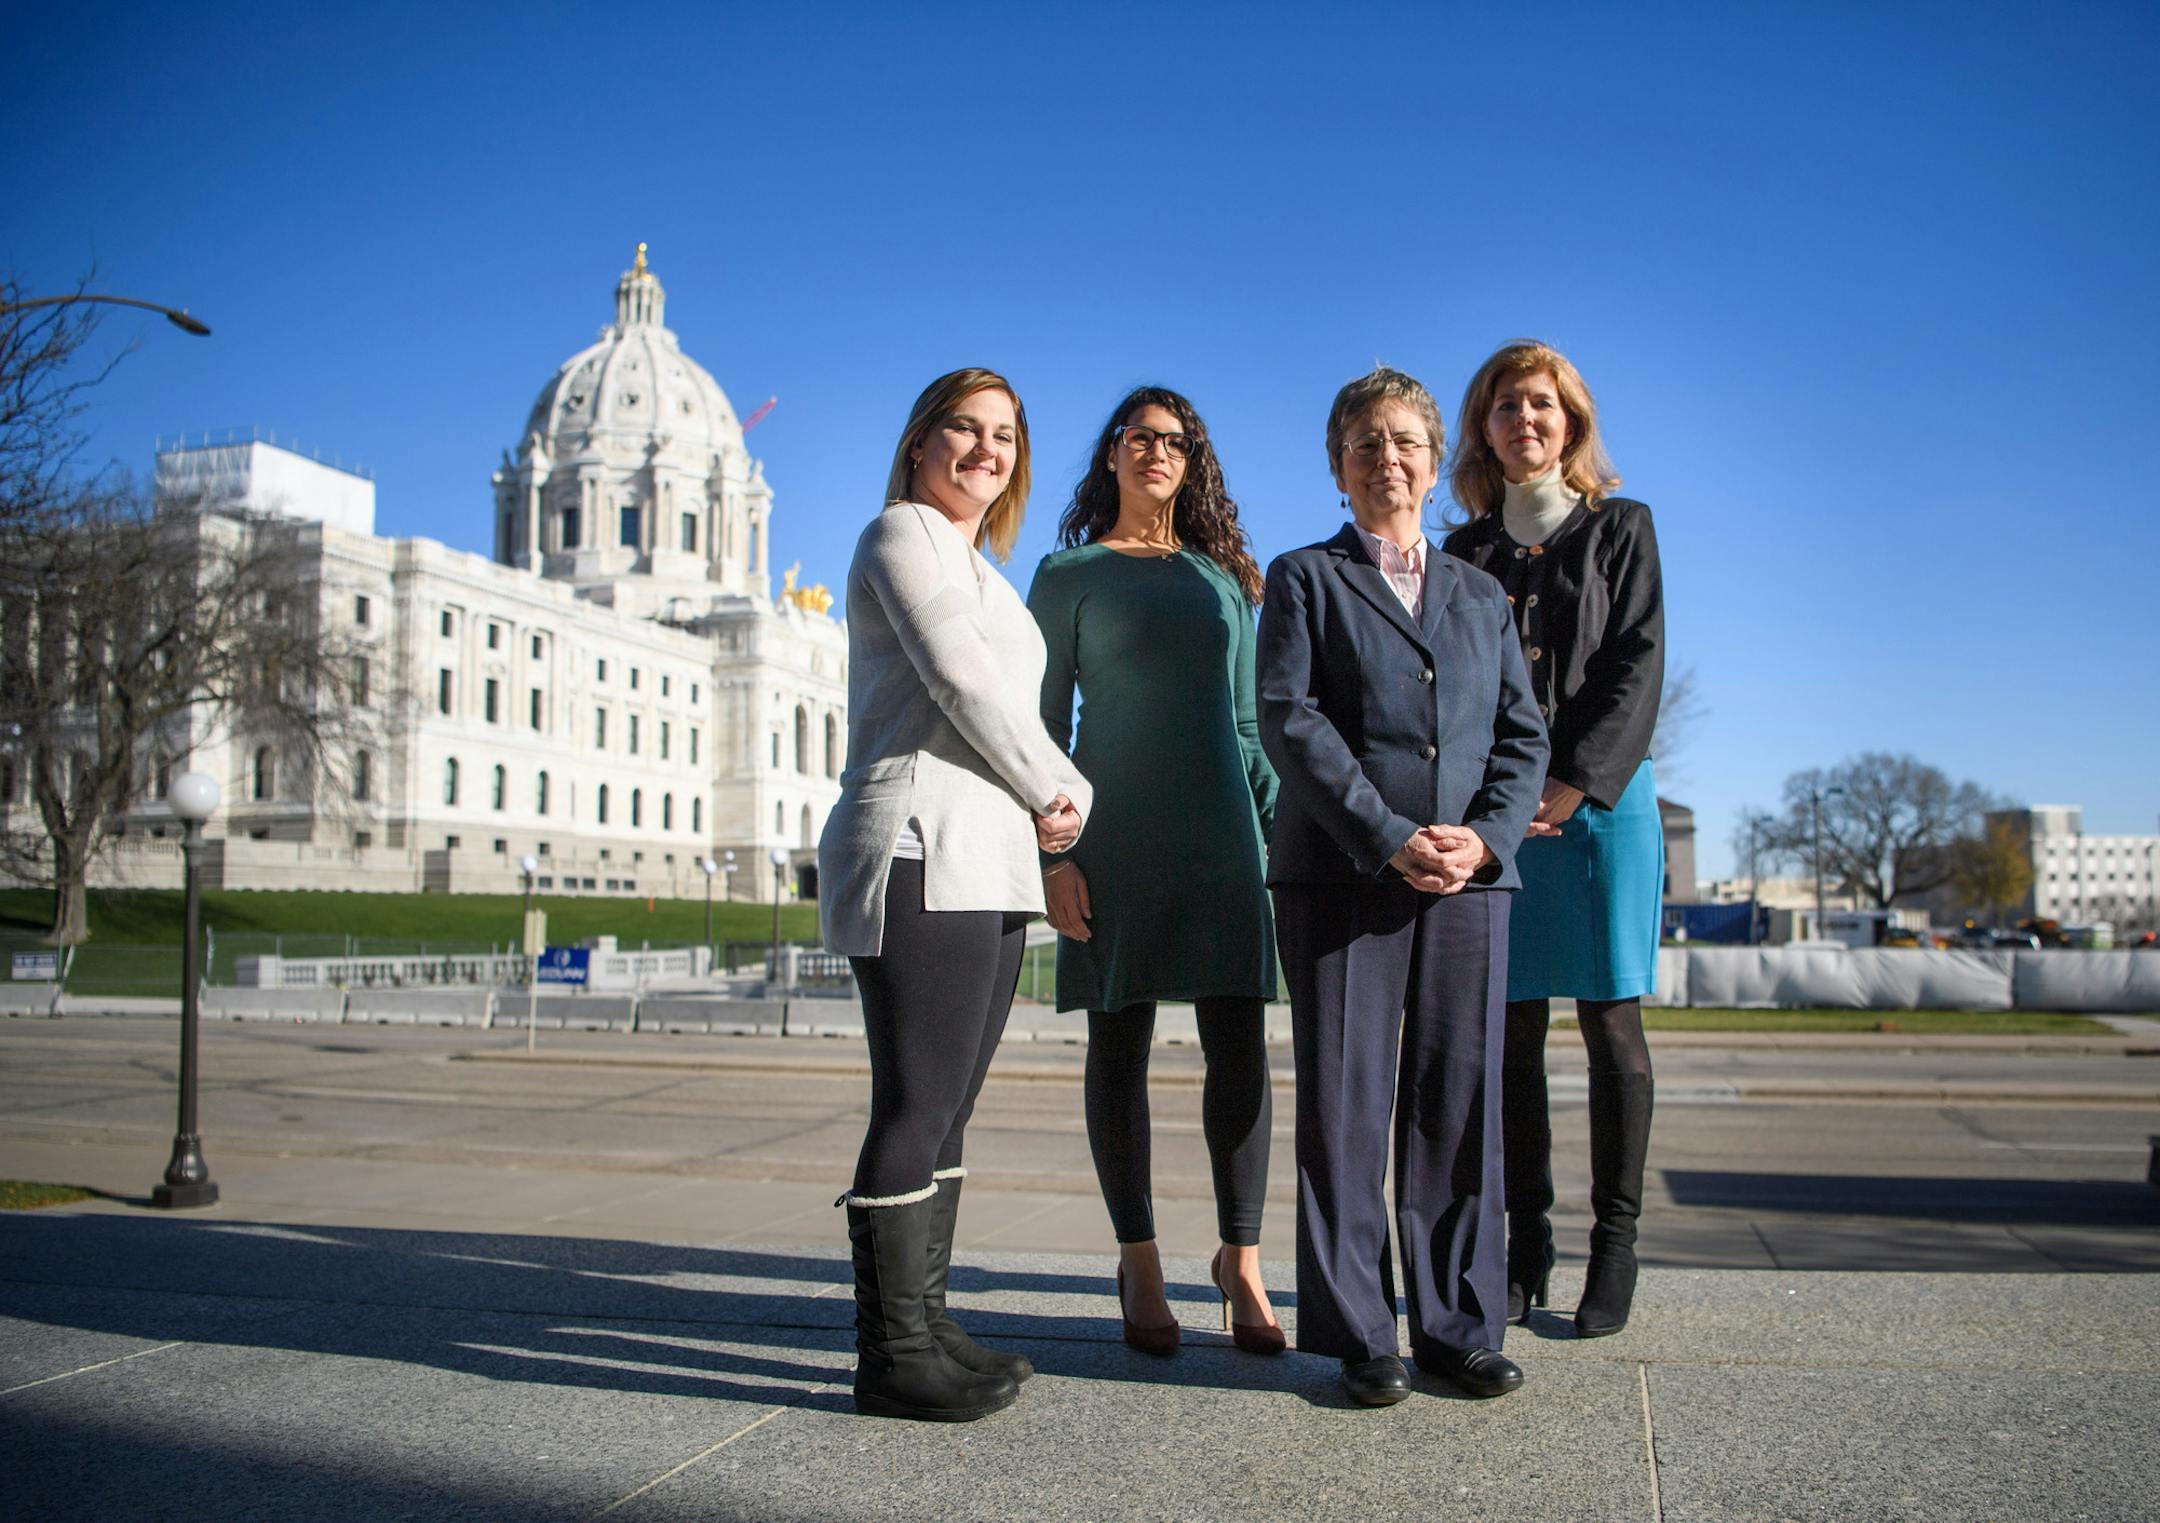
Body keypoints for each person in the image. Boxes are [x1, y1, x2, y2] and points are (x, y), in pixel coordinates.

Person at [1257, 367, 1547, 1406]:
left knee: (1459, 1102)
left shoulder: (1480, 592)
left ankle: (1457, 1324)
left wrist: (1482, 837)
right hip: (1341, 875)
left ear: (1434, 461)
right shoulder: (1303, 577)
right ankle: (1358, 1329)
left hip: (1471, 883)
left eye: (1406, 440)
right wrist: (1385, 836)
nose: (1388, 456)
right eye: (1366, 441)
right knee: (1345, 1099)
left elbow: (1522, 735)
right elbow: (1291, 717)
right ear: (1340, 466)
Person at [818, 367, 1093, 1422]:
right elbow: (961, 685)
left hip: (988, 854)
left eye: (1007, 436)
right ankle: (891, 1356)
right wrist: (1065, 790)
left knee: (953, 1106)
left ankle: (927, 1324)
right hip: (920, 842)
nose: (989, 449)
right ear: (921, 440)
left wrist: (1045, 809)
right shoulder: (900, 533)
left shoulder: (987, 570)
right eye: (966, 429)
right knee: (915, 1098)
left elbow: (998, 694)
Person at [1026, 386, 1282, 1359]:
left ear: (1193, 461)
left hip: (1223, 841)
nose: (1156, 451)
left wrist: (1280, 839)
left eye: (1176, 441)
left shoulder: (1222, 579)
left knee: (1241, 1048)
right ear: (1112, 454)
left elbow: (1249, 729)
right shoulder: (1065, 574)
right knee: (1118, 1046)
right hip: (1114, 837)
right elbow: (1040, 731)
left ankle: (1241, 1256)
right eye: (1139, 436)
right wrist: (1054, 857)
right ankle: (1137, 1255)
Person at [1441, 340, 1664, 1339]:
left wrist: (1576, 782)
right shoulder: (1463, 553)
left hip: (1603, 809)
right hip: (1505, 817)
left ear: (1571, 420)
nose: (1524, 419)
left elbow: (1637, 660)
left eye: (1542, 404)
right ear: (1484, 428)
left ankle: (1614, 1243)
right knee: (1511, 1034)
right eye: (1504, 406)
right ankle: (1526, 1243)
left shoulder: (1622, 528)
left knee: (1611, 1025)